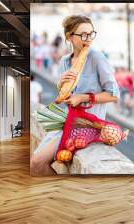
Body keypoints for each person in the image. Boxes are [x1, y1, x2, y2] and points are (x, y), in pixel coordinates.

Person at [30, 15, 120, 176]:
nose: (89, 39)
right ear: (69, 36)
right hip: (68, 120)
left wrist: (85, 97)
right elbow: (65, 99)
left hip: (89, 125)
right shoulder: (65, 61)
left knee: (37, 163)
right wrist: (61, 85)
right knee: (34, 163)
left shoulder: (97, 58)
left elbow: (114, 94)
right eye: (83, 35)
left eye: (91, 34)